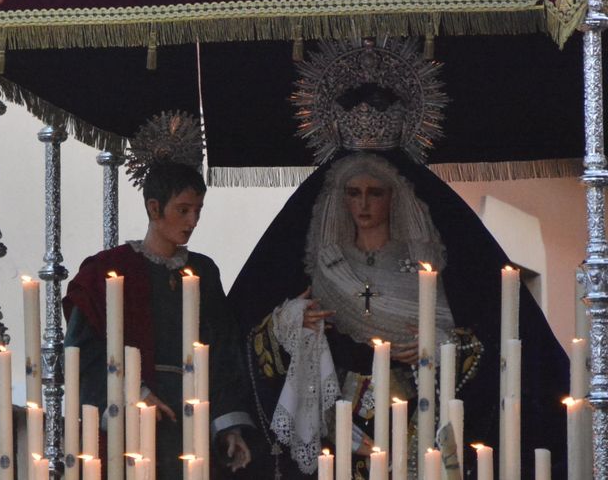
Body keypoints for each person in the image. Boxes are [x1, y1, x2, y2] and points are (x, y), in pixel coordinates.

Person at [228, 40, 567, 478]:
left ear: (395, 198)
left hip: (414, 415)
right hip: (338, 421)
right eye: (353, 193)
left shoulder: (424, 265)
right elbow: (253, 331)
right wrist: (291, 321)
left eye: (375, 193)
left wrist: (439, 347)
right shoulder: (323, 262)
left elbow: (486, 341)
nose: (363, 204)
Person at [64, 113, 256, 476]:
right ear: (154, 208)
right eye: (183, 210)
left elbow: (223, 352)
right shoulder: (107, 270)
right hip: (136, 419)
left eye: (198, 210)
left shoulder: (203, 272)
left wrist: (229, 426)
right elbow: (82, 350)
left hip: (194, 417)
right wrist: (133, 394)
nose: (192, 221)